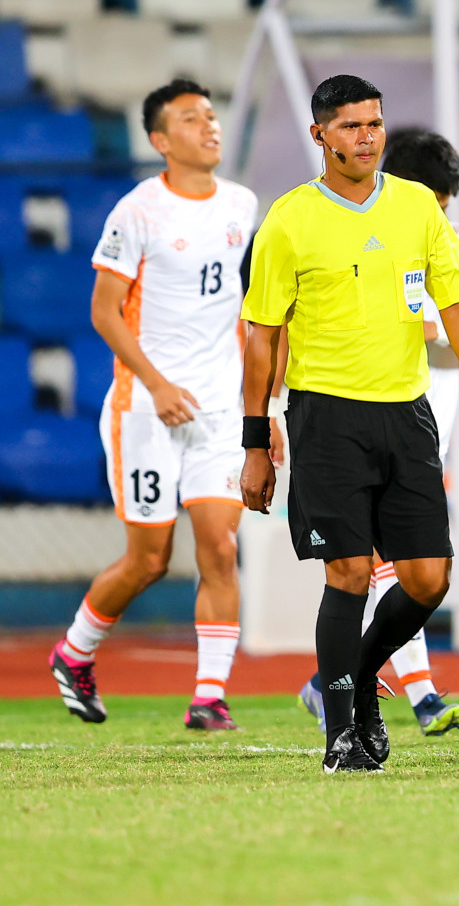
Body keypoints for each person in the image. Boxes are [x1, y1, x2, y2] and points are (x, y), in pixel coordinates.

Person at [240, 75, 459, 774]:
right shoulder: (290, 219)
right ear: (319, 135)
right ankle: (340, 735)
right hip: (325, 416)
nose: (366, 136)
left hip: (409, 413)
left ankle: (360, 681)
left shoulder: (419, 206)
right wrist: (257, 437)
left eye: (375, 123)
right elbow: (263, 336)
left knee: (429, 579)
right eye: (351, 125)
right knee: (350, 572)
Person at [49, 79, 258, 731]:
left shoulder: (243, 204)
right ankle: (73, 653)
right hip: (146, 407)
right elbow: (104, 312)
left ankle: (209, 696)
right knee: (149, 559)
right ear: (161, 141)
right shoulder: (137, 212)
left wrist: (262, 411)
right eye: (191, 119)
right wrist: (159, 384)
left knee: (220, 545)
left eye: (212, 115)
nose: (210, 126)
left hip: (220, 406)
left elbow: (247, 316)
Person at [294, 126, 459, 737]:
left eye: (444, 205)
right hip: (354, 421)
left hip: (427, 426)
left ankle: (339, 679)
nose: (437, 214)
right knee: (368, 567)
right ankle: (418, 694)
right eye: (430, 201)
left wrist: (436, 330)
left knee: (424, 574)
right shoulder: (340, 233)